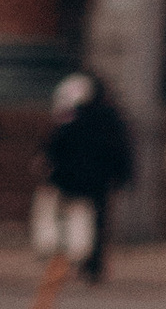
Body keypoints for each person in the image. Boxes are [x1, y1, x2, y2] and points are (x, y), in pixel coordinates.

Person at [41, 71, 134, 286]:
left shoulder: (72, 117)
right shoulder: (110, 117)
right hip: (98, 180)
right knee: (96, 222)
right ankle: (91, 264)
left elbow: (55, 146)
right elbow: (120, 150)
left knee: (71, 218)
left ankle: (71, 260)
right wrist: (122, 176)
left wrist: (52, 172)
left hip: (72, 178)